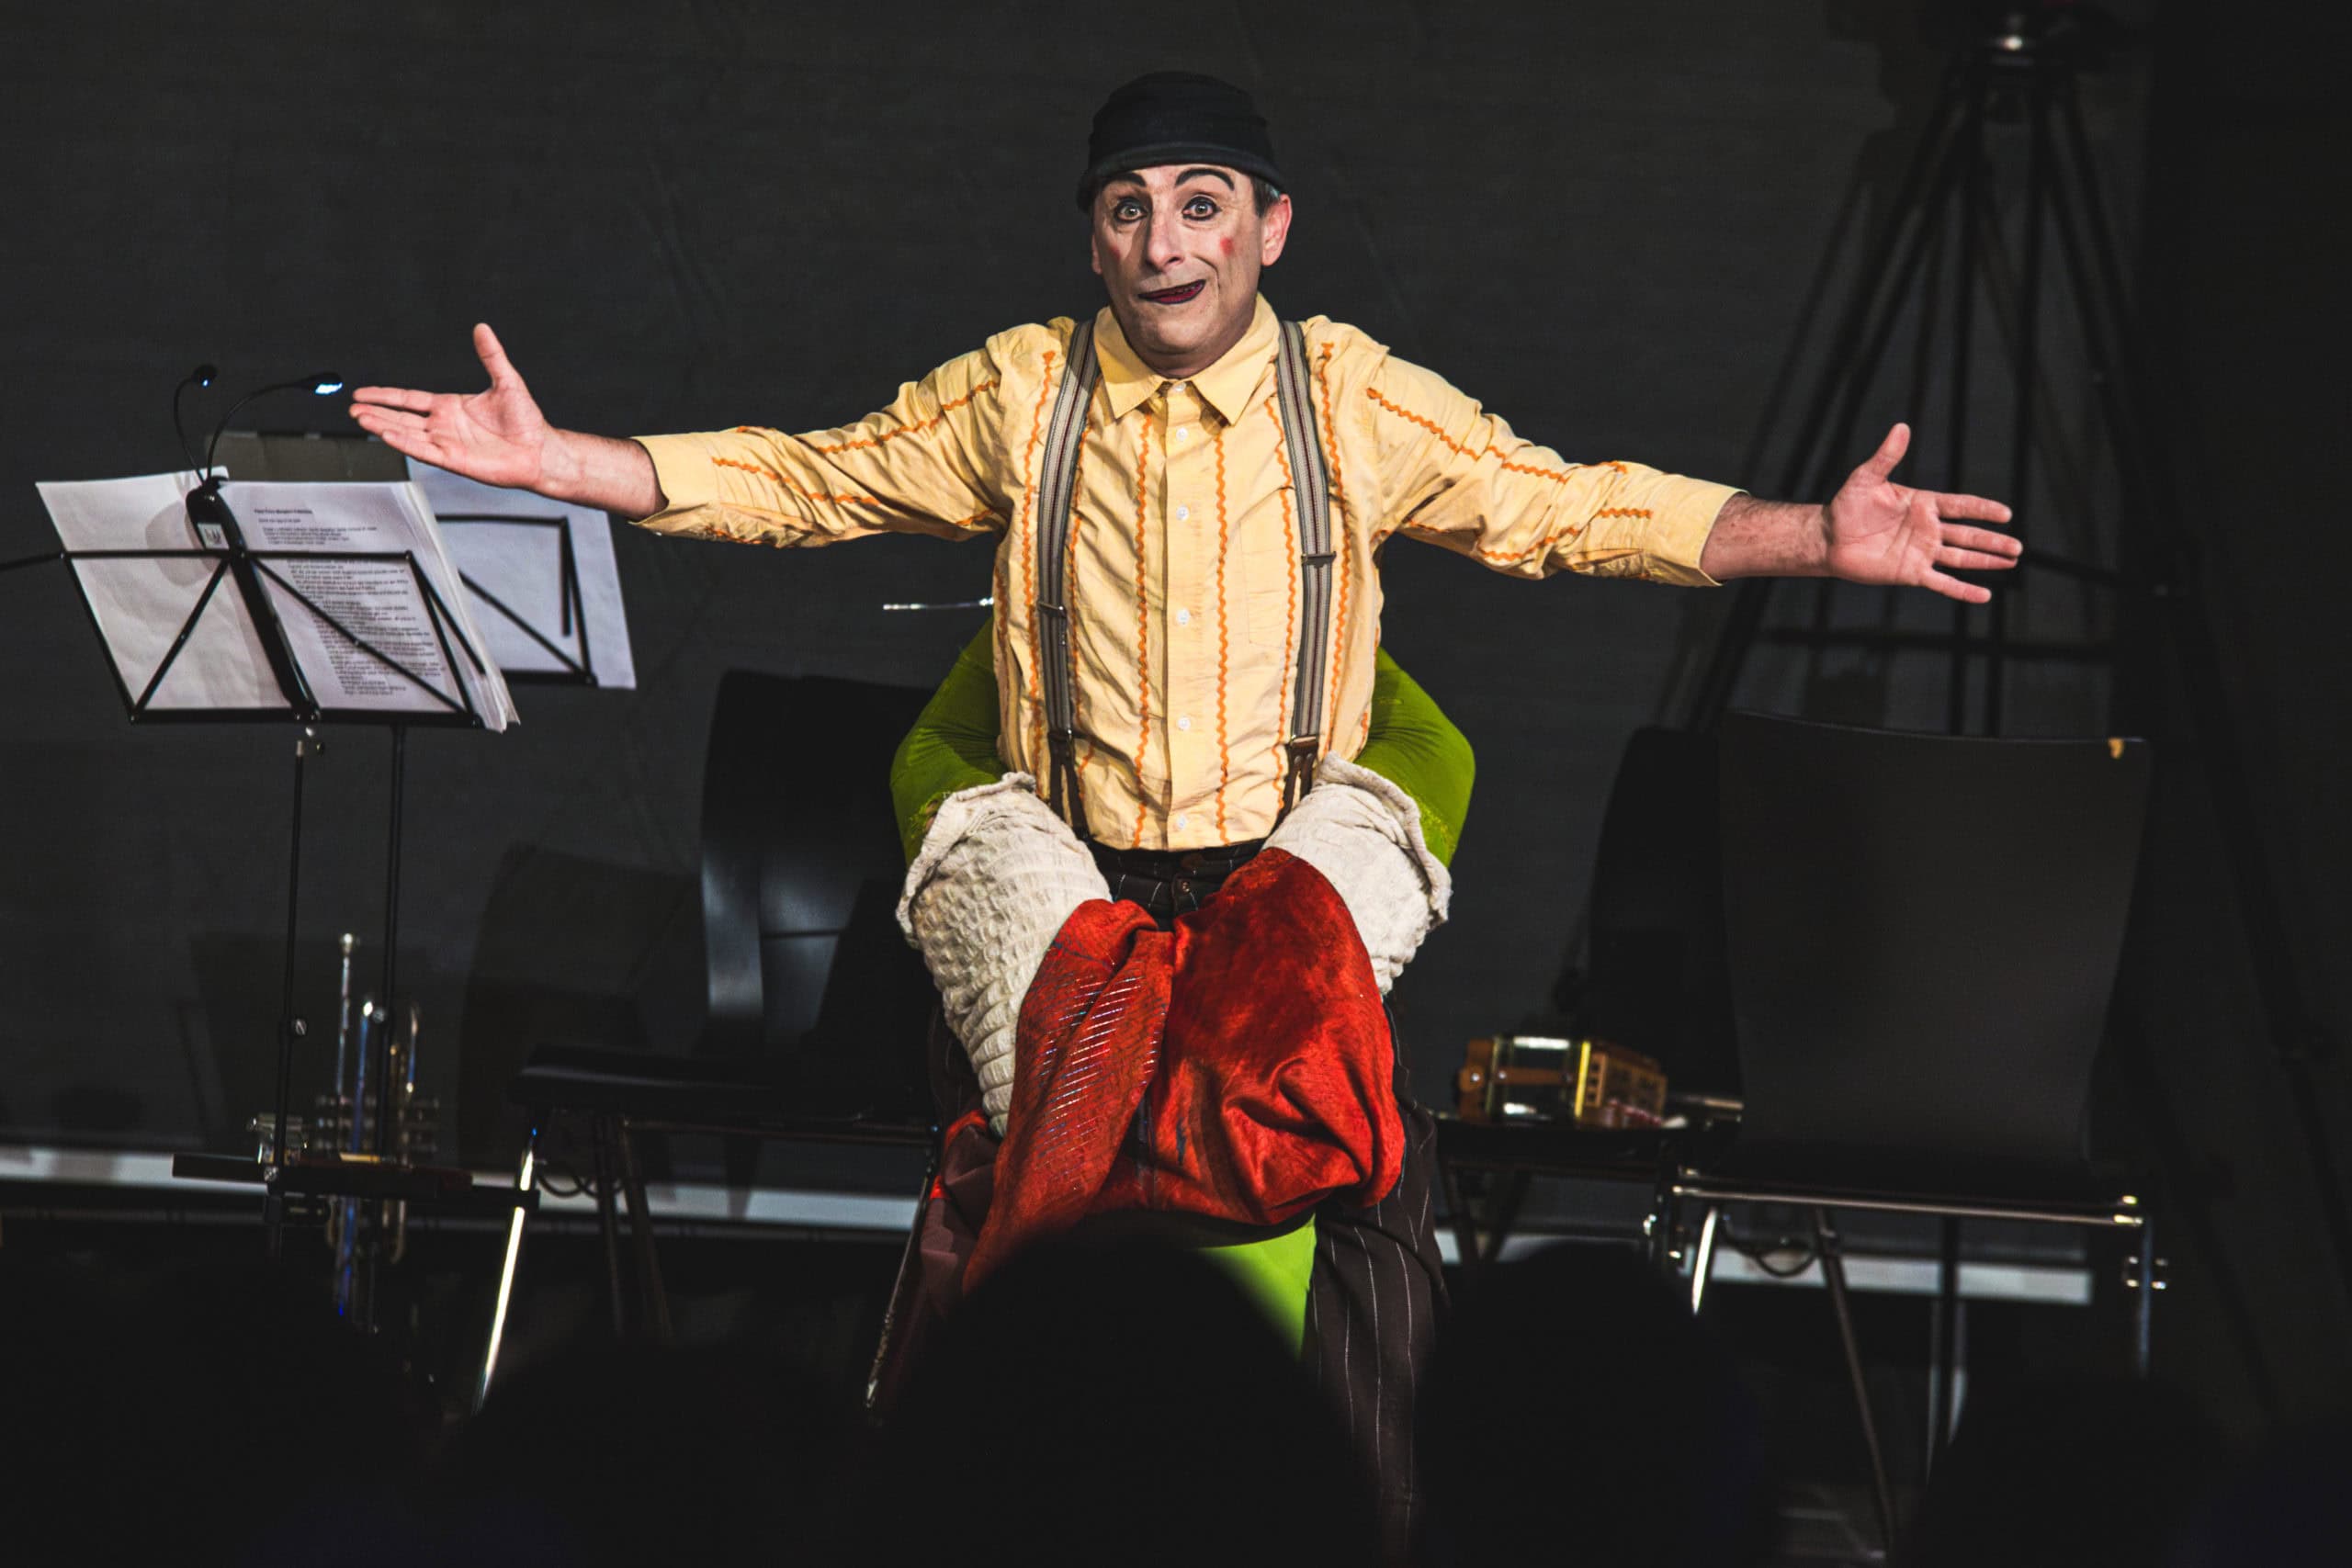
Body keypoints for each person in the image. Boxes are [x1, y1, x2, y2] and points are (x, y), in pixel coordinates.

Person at [352, 71, 2018, 1551]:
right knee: (1034, 1211)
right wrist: (570, 465)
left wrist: (1813, 536)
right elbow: (812, 477)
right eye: (1129, 208)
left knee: (1352, 1210)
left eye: (1201, 204)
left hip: (1276, 889)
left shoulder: (1350, 398)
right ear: (1093, 240)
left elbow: (1563, 509)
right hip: (1075, 892)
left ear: (1269, 227)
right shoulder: (1023, 392)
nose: (1165, 243)